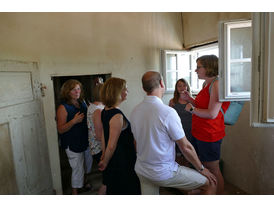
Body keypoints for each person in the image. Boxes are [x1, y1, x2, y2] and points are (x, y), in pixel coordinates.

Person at [130, 71, 216, 195]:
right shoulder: (167, 112)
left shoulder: (135, 111)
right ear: (161, 83)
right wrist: (202, 169)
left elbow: (136, 142)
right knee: (210, 183)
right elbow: (185, 147)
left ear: (143, 88)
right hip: (163, 172)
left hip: (141, 169)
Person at [181, 55, 230, 194]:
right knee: (204, 168)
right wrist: (189, 99)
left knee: (213, 169)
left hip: (210, 134)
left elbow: (212, 114)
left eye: (198, 67)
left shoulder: (216, 84)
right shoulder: (208, 84)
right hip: (200, 132)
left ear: (208, 67)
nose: (196, 70)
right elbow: (203, 106)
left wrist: (192, 109)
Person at [98, 77, 141, 195]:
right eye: (126, 89)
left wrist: (103, 154)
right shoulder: (117, 116)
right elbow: (112, 144)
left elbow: (103, 136)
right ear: (118, 92)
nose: (128, 92)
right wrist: (105, 161)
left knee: (109, 185)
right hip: (122, 160)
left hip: (113, 157)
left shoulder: (105, 110)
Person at [56, 79, 90, 195]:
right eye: (73, 90)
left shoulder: (82, 102)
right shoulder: (63, 108)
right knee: (77, 168)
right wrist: (74, 121)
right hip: (72, 143)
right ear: (67, 92)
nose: (77, 92)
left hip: (84, 140)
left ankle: (84, 182)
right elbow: (60, 129)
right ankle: (74, 193)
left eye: (78, 88)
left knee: (86, 164)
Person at [87, 82, 106, 195]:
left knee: (107, 178)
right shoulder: (97, 110)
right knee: (107, 179)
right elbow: (99, 135)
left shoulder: (93, 106)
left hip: (95, 147)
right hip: (99, 148)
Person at [169, 78, 193, 166]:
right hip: (178, 129)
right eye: (179, 86)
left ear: (187, 87)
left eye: (184, 85)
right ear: (176, 88)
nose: (182, 88)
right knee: (178, 154)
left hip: (190, 130)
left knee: (189, 154)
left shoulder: (192, 100)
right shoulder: (172, 101)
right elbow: (169, 118)